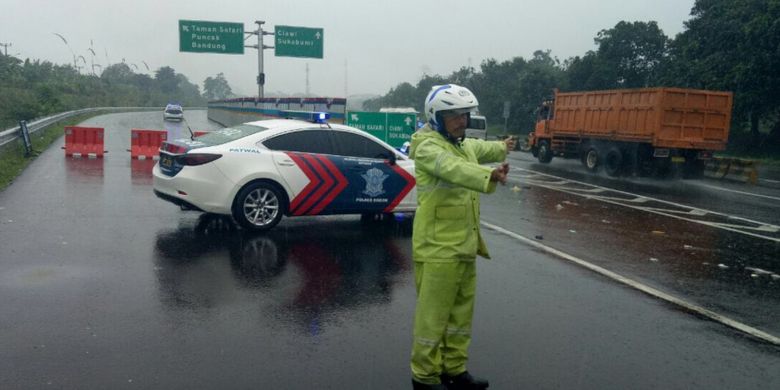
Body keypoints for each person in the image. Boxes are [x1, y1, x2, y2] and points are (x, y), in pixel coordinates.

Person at [409, 84, 516, 390]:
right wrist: (489, 176)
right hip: (437, 249)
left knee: (460, 316)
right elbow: (453, 169)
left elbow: (482, 150)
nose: (462, 121)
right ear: (436, 116)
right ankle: (424, 376)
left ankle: (454, 369)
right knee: (432, 319)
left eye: (465, 114)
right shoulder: (429, 148)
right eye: (454, 115)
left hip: (464, 246)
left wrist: (503, 146)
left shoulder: (461, 144)